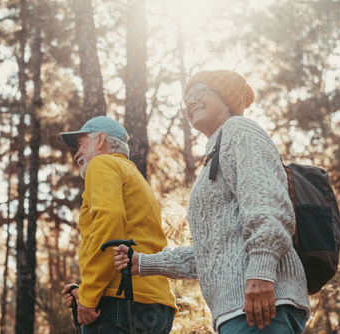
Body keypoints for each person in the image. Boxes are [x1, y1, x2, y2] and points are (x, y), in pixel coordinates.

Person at [114, 70, 311, 333]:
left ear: (226, 98)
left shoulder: (240, 130)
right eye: (186, 98)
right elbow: (212, 251)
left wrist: (262, 271)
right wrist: (145, 263)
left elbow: (268, 204)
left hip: (260, 305)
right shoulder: (214, 153)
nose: (190, 102)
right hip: (238, 311)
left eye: (199, 92)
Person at [59, 116, 177, 334]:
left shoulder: (102, 163)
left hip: (119, 303)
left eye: (80, 145)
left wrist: (88, 297)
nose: (76, 154)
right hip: (158, 307)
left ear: (101, 140)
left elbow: (110, 225)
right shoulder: (137, 178)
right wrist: (85, 289)